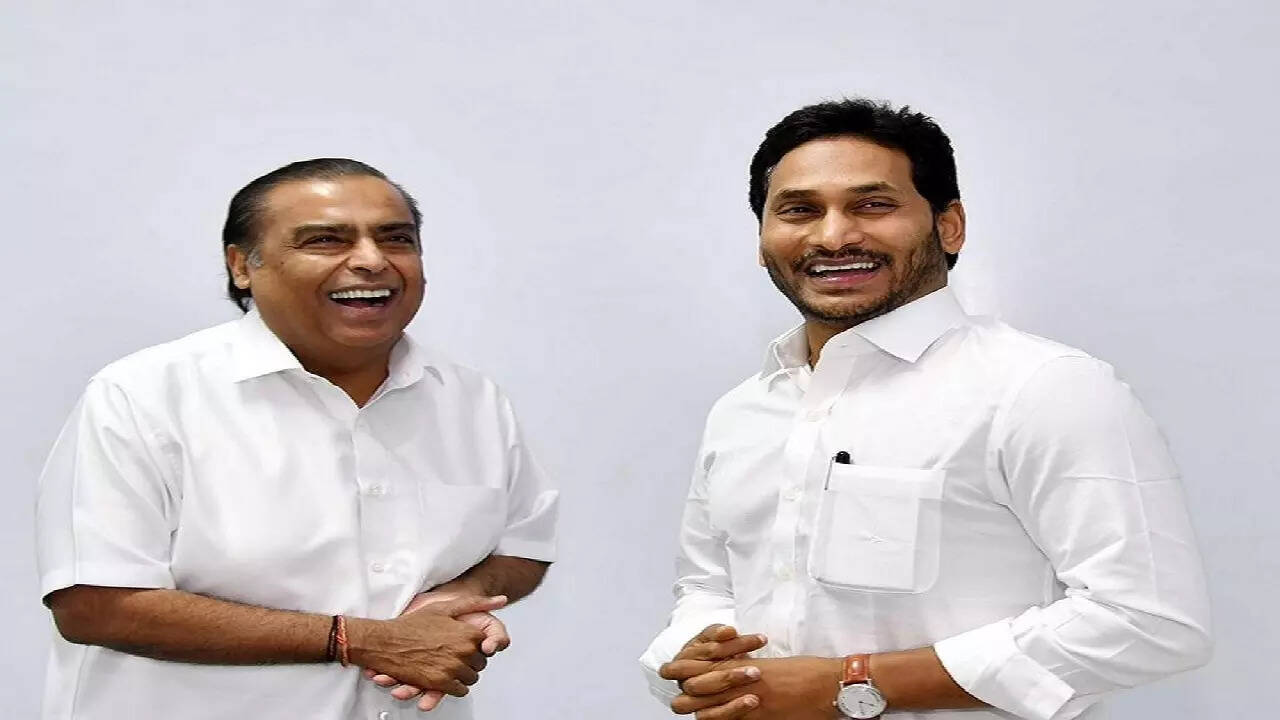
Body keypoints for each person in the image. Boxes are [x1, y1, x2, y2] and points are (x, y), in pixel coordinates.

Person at [639, 99, 1211, 720]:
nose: (832, 236)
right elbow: (707, 586)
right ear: (762, 238)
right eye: (800, 210)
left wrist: (848, 685)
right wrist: (695, 655)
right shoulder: (744, 409)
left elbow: (1149, 621)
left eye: (872, 205)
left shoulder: (1042, 388)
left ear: (950, 226)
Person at [35, 158, 558, 720]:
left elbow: (524, 543)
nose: (371, 260)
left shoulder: (471, 400)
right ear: (242, 266)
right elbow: (94, 605)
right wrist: (357, 640)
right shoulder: (142, 396)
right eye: (325, 240)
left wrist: (457, 599)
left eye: (396, 239)